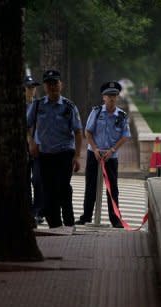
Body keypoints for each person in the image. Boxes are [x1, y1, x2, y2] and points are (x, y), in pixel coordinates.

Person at [26, 69, 82, 231]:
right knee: (48, 191)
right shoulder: (37, 106)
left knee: (63, 187)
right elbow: (27, 126)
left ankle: (69, 221)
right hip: (44, 154)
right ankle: (55, 225)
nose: (52, 87)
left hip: (64, 153)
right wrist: (31, 143)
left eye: (55, 83)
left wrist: (77, 156)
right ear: (44, 86)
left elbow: (78, 132)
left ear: (61, 85)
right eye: (49, 84)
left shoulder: (69, 107)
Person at [76, 81, 131, 228]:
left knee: (112, 189)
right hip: (94, 154)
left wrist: (112, 150)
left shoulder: (122, 115)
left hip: (111, 157)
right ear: (103, 97)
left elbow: (125, 136)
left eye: (114, 95)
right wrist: (94, 149)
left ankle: (115, 219)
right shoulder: (97, 112)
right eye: (108, 95)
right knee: (91, 187)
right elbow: (87, 132)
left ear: (117, 97)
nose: (111, 98)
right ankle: (86, 216)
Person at [24, 75, 44, 225]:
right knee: (24, 180)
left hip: (37, 148)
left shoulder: (39, 105)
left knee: (37, 180)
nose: (32, 90)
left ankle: (37, 210)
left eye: (33, 87)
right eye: (29, 87)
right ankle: (27, 210)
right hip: (23, 148)